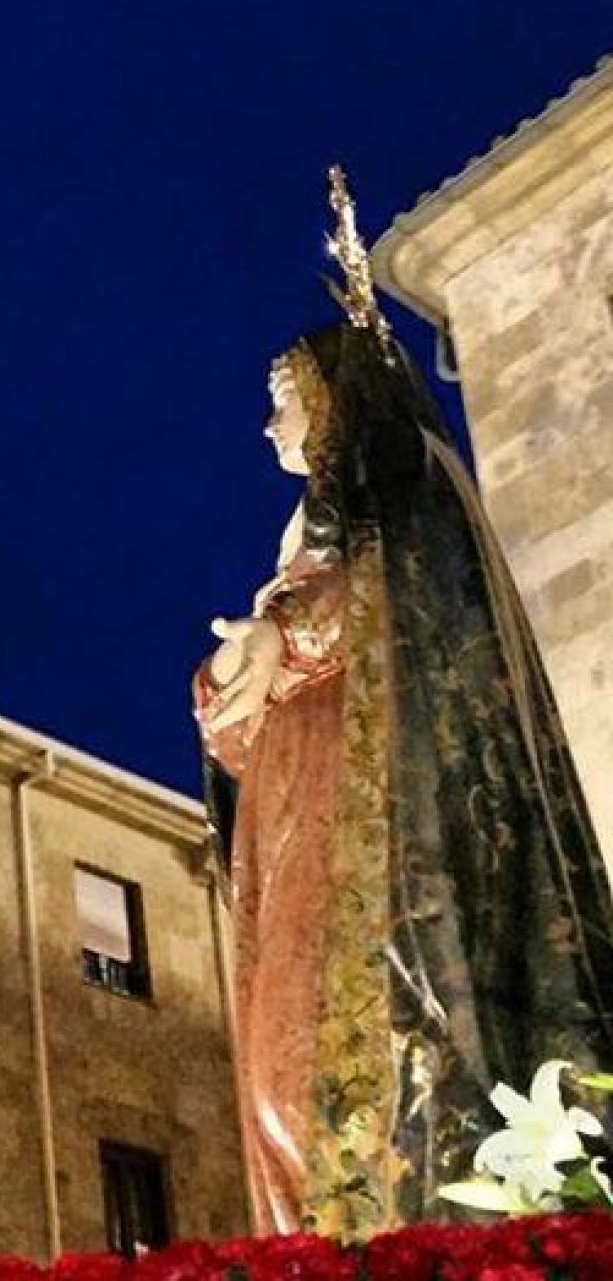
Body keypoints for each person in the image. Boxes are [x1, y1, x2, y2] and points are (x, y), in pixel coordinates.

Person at [195, 177, 613, 1237]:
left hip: (373, 814)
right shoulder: (304, 533)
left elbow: (404, 604)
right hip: (290, 815)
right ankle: (321, 1240)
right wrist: (232, 679)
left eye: (281, 400)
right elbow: (249, 708)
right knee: (277, 1055)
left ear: (335, 400)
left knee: (351, 1038)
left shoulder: (404, 491)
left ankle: (394, 1228)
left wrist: (283, 638)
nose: (263, 425)